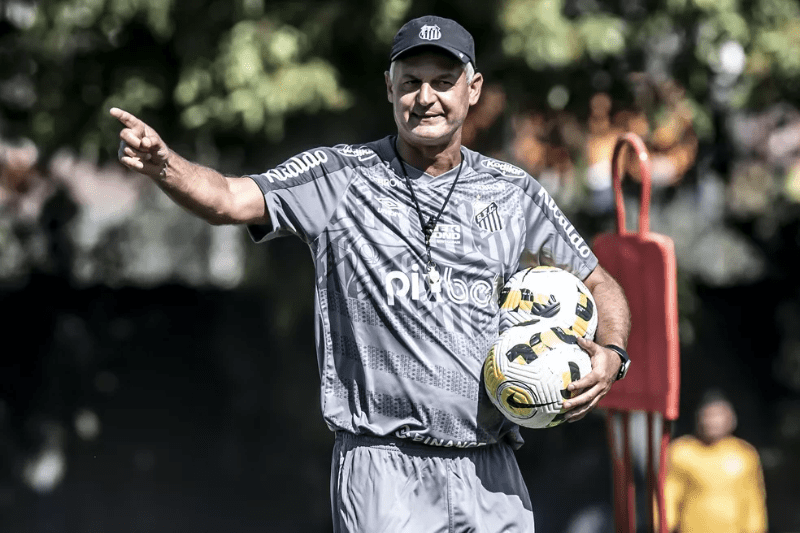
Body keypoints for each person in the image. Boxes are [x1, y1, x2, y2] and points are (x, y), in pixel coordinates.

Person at [111, 15, 631, 532]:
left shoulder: (512, 191)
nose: (425, 98)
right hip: (384, 468)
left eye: (443, 82)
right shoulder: (339, 176)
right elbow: (228, 198)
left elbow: (599, 282)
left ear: (473, 90)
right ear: (389, 88)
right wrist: (165, 165)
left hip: (490, 469)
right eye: (411, 82)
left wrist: (612, 354)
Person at [662, 390, 768, 533]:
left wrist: (756, 528)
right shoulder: (681, 451)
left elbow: (753, 497)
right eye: (708, 416)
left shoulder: (745, 453)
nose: (712, 422)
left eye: (718, 416)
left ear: (731, 419)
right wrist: (663, 524)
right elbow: (670, 492)